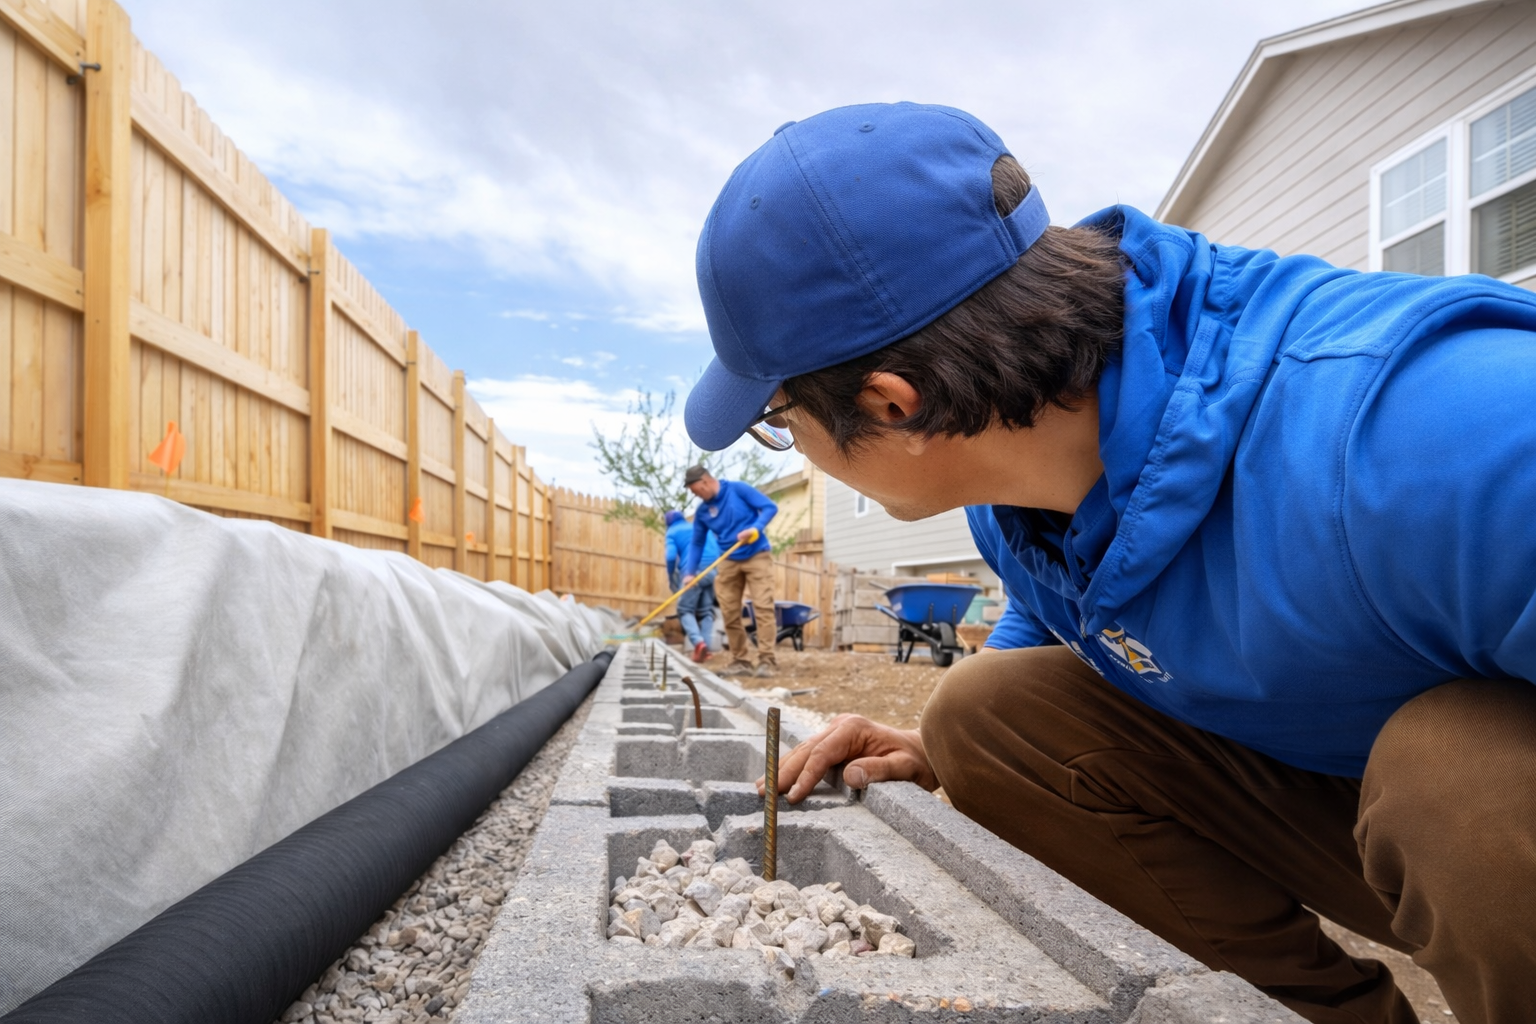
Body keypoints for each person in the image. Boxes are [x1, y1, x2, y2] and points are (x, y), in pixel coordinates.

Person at [681, 102, 1536, 1024]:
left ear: (891, 406)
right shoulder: (1019, 488)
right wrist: (943, 756)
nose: (788, 443)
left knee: (1459, 776)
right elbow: (1061, 622)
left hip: (1474, 848)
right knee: (980, 714)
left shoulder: (1429, 439)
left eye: (777, 419)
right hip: (1367, 822)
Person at [680, 465, 778, 677]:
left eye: (696, 490)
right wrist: (690, 572)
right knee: (729, 612)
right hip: (728, 560)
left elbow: (770, 507)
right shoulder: (704, 511)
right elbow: (697, 542)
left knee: (762, 607)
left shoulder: (738, 490)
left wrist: (756, 528)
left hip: (757, 554)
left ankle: (766, 660)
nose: (696, 495)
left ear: (705, 481)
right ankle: (740, 660)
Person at [664, 508, 719, 662]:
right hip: (712, 570)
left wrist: (672, 578)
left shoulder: (672, 532)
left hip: (693, 572)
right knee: (706, 612)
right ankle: (705, 650)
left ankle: (698, 643)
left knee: (684, 609)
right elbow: (716, 547)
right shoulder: (698, 526)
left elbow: (670, 557)